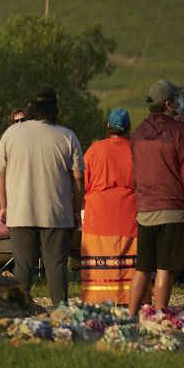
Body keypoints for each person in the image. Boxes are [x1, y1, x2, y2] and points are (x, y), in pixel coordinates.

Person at [0, 88, 83, 305]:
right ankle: (60, 312)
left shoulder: (11, 134)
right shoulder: (67, 136)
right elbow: (78, 178)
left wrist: (4, 205)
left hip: (20, 211)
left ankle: (17, 313)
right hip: (57, 213)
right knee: (56, 264)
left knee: (23, 265)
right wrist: (76, 209)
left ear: (31, 107)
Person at [128, 79, 184, 313]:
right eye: (177, 98)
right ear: (169, 103)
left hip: (145, 210)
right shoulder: (180, 132)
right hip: (173, 209)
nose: (180, 102)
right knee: (165, 269)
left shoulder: (138, 132)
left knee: (142, 268)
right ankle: (160, 314)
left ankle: (131, 315)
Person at [79, 108, 137, 304]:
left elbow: (82, 181)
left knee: (99, 257)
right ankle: (130, 297)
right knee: (129, 259)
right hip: (129, 213)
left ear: (107, 127)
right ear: (128, 128)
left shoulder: (95, 149)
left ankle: (98, 298)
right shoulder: (136, 149)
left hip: (99, 214)